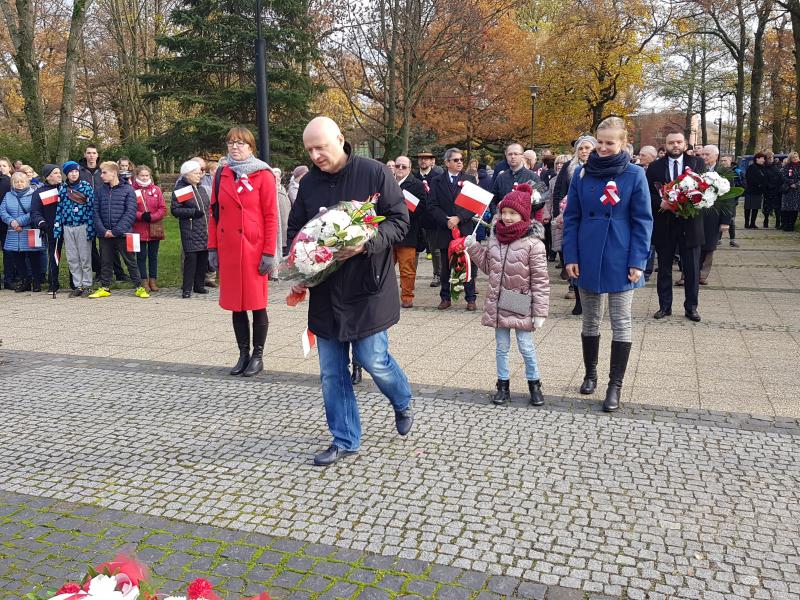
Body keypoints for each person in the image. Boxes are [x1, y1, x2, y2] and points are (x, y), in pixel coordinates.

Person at [287, 116, 412, 467]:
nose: (315, 156)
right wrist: (298, 265)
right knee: (332, 372)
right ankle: (344, 439)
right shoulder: (309, 183)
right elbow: (296, 230)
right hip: (326, 292)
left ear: (340, 139)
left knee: (373, 360)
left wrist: (366, 242)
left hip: (368, 288)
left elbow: (400, 221)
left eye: (320, 147)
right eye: (309, 150)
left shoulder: (374, 173)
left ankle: (402, 400)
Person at [563, 117, 653, 412]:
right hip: (588, 253)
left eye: (609, 143)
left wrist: (638, 260)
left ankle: (615, 384)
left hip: (620, 254)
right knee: (590, 318)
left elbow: (643, 221)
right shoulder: (582, 174)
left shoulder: (634, 174)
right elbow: (572, 218)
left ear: (623, 143)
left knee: (620, 320)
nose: (601, 148)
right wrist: (571, 256)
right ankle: (590, 374)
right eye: (599, 142)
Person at [465, 183, 549, 407]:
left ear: (524, 214)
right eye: (505, 212)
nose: (508, 217)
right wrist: (474, 248)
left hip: (520, 300)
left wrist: (540, 312)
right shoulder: (495, 237)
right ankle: (502, 385)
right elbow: (489, 267)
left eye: (513, 213)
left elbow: (540, 281)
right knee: (501, 348)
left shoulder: (533, 244)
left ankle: (534, 384)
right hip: (498, 299)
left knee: (526, 346)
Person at [208, 126, 279, 378]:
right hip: (228, 248)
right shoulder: (222, 173)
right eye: (231, 142)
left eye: (240, 143)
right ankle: (243, 354)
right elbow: (214, 214)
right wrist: (213, 247)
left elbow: (271, 216)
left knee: (256, 304)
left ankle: (258, 356)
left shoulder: (263, 175)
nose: (234, 147)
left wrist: (269, 252)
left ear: (251, 147)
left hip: (253, 250)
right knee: (235, 306)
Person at [646, 129, 705, 322]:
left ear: (685, 144)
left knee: (692, 269)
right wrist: (660, 202)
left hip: (690, 224)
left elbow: (706, 189)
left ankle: (691, 308)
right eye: (671, 142)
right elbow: (647, 193)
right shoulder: (655, 167)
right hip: (665, 224)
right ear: (666, 145)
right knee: (664, 268)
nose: (675, 145)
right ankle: (665, 306)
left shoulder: (697, 163)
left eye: (679, 142)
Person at [88, 161, 149, 299]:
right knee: (105, 261)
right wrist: (103, 230)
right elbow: (95, 212)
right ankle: (105, 287)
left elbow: (130, 212)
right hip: (104, 234)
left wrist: (116, 231)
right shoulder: (100, 190)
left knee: (130, 261)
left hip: (123, 233)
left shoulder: (128, 190)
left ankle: (139, 287)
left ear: (114, 173)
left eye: (104, 172)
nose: (101, 175)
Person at [428, 147, 478, 311]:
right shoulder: (436, 180)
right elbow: (432, 205)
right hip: (445, 229)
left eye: (461, 159)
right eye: (456, 160)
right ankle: (445, 297)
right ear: (447, 162)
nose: (460, 162)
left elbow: (474, 205)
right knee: (445, 266)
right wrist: (446, 220)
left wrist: (459, 218)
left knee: (467, 263)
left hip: (464, 228)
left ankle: (470, 298)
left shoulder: (469, 179)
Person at [552, 135, 597, 311]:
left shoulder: (599, 167)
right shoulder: (569, 168)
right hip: (571, 218)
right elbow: (559, 190)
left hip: (592, 220)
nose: (584, 151)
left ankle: (591, 298)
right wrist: (558, 213)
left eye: (587, 148)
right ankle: (577, 297)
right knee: (572, 256)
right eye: (581, 148)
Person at [53, 161, 95, 296]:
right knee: (72, 258)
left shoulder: (86, 187)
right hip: (67, 226)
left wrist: (90, 227)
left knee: (85, 257)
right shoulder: (63, 189)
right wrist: (58, 228)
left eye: (76, 171)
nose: (74, 174)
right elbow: (59, 209)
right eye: (71, 172)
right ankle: (78, 285)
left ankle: (87, 285)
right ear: (66, 174)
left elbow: (92, 208)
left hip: (83, 225)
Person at [172, 160, 211, 299]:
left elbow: (207, 208)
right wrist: (193, 213)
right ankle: (187, 288)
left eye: (200, 173)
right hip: (190, 229)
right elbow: (176, 210)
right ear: (187, 175)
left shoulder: (201, 189)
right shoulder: (183, 189)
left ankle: (199, 285)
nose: (199, 175)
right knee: (191, 259)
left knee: (203, 259)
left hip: (204, 229)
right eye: (196, 173)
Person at [393, 155, 428, 309]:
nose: (400, 169)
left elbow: (423, 207)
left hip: (408, 233)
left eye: (404, 166)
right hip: (388, 232)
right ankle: (384, 296)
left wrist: (403, 212)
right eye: (398, 166)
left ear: (410, 168)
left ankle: (407, 296)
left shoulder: (417, 185)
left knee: (407, 268)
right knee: (384, 267)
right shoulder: (387, 182)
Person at [696, 145, 732, 285]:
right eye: (702, 154)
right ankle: (688, 274)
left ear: (716, 156)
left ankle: (702, 275)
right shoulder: (696, 169)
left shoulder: (724, 172)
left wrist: (726, 221)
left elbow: (729, 198)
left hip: (714, 215)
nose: (704, 157)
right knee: (693, 244)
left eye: (707, 154)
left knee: (709, 246)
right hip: (697, 213)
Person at [1, 172, 42, 292]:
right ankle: (25, 281)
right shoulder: (8, 195)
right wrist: (12, 222)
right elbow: (2, 211)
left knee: (34, 257)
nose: (19, 184)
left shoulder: (34, 194)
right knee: (17, 258)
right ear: (12, 183)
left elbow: (34, 211)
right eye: (16, 182)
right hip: (14, 232)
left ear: (27, 182)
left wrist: (18, 222)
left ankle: (36, 281)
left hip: (29, 231)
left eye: (22, 181)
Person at [131, 165, 166, 292]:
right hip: (138, 228)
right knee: (141, 256)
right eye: (142, 175)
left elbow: (162, 208)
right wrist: (141, 216)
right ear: (137, 176)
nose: (145, 178)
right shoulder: (132, 190)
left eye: (147, 175)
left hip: (154, 228)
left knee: (153, 256)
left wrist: (152, 217)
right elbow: (129, 209)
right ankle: (143, 280)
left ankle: (153, 279)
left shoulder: (156, 190)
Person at [30, 164, 63, 293]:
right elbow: (35, 212)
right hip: (51, 228)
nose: (59, 175)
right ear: (47, 176)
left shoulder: (66, 188)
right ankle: (53, 283)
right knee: (54, 255)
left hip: (69, 227)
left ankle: (75, 283)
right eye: (55, 173)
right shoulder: (39, 192)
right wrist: (41, 222)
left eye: (59, 172)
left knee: (73, 256)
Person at [414, 150, 444, 288]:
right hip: (416, 219)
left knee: (435, 249)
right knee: (414, 249)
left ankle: (438, 274)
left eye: (426, 158)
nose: (423, 161)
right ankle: (410, 276)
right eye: (421, 159)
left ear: (432, 161)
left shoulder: (438, 177)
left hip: (432, 219)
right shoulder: (413, 177)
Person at [743, 153, 767, 229]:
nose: (763, 160)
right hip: (751, 190)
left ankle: (753, 223)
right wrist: (758, 183)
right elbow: (749, 178)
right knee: (748, 207)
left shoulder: (763, 168)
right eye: (762, 158)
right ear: (757, 159)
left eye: (764, 158)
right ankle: (746, 223)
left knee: (755, 207)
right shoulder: (752, 167)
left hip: (758, 191)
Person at [762, 151, 783, 229]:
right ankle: (766, 220)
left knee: (777, 207)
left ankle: (778, 222)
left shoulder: (777, 165)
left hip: (777, 189)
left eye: (771, 157)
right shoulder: (764, 167)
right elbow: (763, 178)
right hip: (768, 189)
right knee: (767, 206)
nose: (770, 158)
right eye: (769, 157)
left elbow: (781, 176)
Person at [0, 158, 12, 288]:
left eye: (4, 165)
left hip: (6, 221)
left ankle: (9, 278)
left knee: (8, 251)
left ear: (9, 168)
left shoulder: (10, 181)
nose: (1, 168)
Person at [781, 151, 800, 232]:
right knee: (787, 209)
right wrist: (791, 183)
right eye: (793, 157)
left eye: (796, 157)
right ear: (790, 158)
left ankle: (792, 225)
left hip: (797, 191)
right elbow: (783, 177)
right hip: (788, 190)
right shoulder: (787, 167)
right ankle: (786, 224)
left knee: (794, 209)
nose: (795, 158)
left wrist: (797, 184)